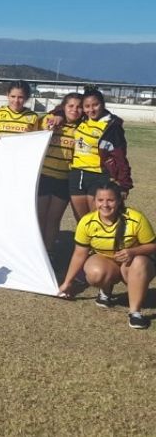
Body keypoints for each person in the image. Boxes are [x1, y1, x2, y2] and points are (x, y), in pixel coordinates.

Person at [58, 182, 155, 329]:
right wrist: (67, 282)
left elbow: (153, 245)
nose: (105, 205)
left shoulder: (136, 218)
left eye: (110, 200)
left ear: (119, 200)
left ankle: (135, 312)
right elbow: (79, 254)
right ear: (94, 201)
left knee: (139, 262)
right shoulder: (87, 222)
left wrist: (133, 252)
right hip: (107, 262)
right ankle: (105, 289)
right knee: (95, 273)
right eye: (100, 200)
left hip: (133, 264)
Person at [70, 89, 133, 219]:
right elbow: (64, 107)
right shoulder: (80, 120)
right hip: (77, 175)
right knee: (82, 223)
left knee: (98, 220)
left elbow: (120, 157)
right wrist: (58, 114)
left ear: (103, 104)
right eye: (87, 106)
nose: (91, 110)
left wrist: (124, 185)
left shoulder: (112, 127)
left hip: (99, 176)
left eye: (95, 105)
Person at [38, 93, 82, 253]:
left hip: (63, 179)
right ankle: (37, 252)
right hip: (43, 177)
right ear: (64, 107)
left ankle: (49, 252)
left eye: (78, 107)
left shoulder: (81, 128)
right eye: (70, 106)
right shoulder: (51, 119)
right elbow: (41, 129)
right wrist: (56, 119)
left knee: (53, 219)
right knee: (39, 217)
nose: (74, 110)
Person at [0, 80, 38, 145]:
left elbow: (34, 141)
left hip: (21, 154)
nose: (16, 100)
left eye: (20, 97)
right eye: (13, 96)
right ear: (7, 95)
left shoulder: (33, 116)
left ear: (27, 97)